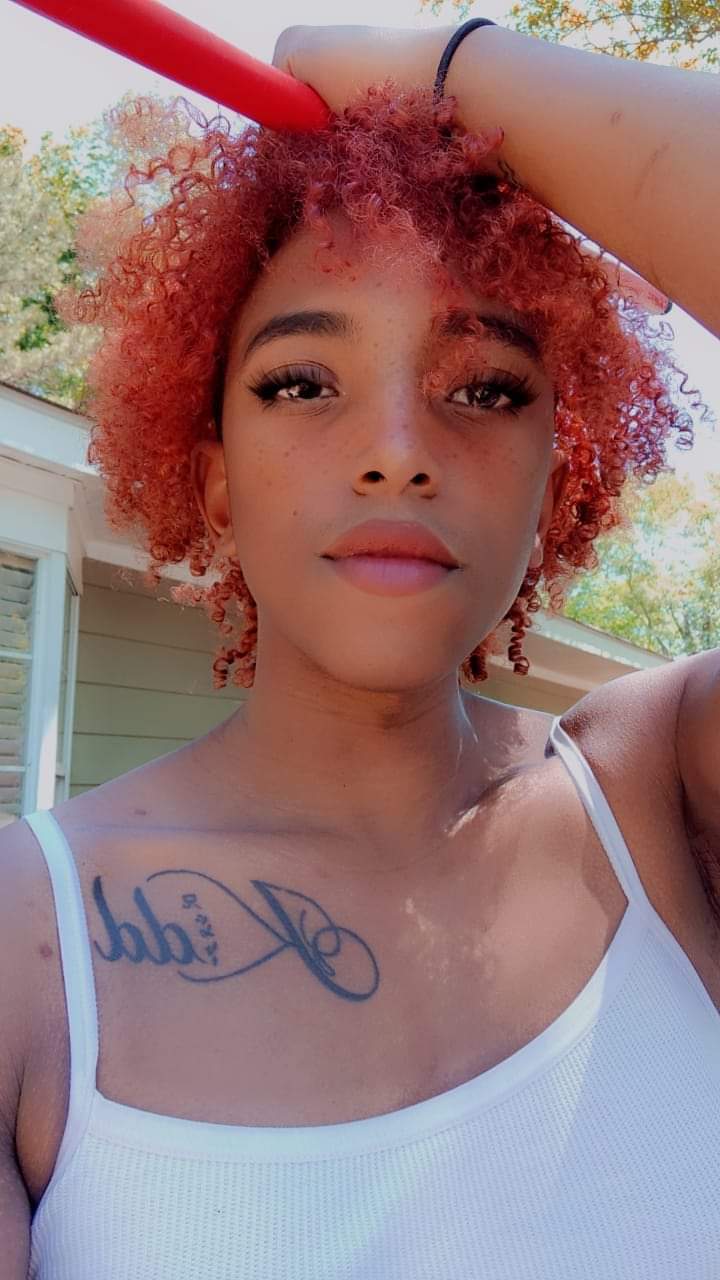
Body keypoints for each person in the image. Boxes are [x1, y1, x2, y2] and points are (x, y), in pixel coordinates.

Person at [2, 18, 719, 1279]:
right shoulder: (23, 934)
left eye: (485, 386)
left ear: (559, 477)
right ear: (214, 480)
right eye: (301, 382)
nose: (397, 451)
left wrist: (444, 70)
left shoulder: (664, 792)